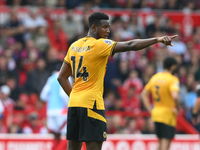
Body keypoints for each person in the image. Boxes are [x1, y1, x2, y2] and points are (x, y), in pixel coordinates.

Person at [57, 11, 178, 150]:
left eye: (109, 27)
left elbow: (62, 77)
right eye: (105, 27)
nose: (108, 30)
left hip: (74, 105)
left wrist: (74, 97)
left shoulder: (74, 46)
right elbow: (130, 45)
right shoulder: (100, 45)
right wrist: (157, 39)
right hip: (92, 104)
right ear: (94, 28)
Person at [141, 57, 180, 150]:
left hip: (156, 113)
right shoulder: (172, 79)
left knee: (161, 142)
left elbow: (143, 94)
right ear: (173, 66)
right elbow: (175, 96)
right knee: (165, 144)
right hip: (167, 115)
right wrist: (177, 109)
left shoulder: (155, 77)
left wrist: (150, 109)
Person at [40, 72, 72, 150]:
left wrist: (52, 101)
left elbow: (43, 95)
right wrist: (69, 106)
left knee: (56, 136)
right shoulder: (66, 76)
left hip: (51, 111)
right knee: (65, 135)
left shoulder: (51, 78)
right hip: (62, 112)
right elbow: (63, 94)